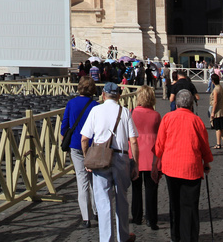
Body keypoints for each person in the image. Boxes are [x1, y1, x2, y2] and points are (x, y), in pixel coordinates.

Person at [80, 82, 139, 242]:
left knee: (103, 202)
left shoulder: (95, 110)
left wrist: (87, 160)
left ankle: (106, 239)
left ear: (103, 95)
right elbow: (133, 141)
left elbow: (84, 139)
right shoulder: (125, 111)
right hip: (122, 157)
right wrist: (136, 164)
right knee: (122, 199)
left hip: (101, 159)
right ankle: (124, 236)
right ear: (119, 96)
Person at [155, 89, 213, 242]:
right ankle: (189, 237)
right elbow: (204, 144)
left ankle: (176, 236)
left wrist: (157, 161)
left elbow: (160, 143)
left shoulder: (167, 118)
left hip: (171, 167)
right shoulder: (196, 120)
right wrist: (206, 162)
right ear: (191, 104)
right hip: (191, 168)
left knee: (175, 203)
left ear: (177, 103)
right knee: (190, 206)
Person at [61, 77, 99, 229]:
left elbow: (65, 125)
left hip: (76, 146)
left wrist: (63, 141)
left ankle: (86, 217)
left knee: (81, 180)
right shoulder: (96, 106)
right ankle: (96, 211)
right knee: (94, 180)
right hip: (92, 146)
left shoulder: (71, 103)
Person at [130, 85, 161, 230]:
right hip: (151, 154)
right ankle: (151, 218)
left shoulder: (133, 113)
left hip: (135, 154)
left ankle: (136, 216)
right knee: (151, 189)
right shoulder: (156, 115)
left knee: (136, 188)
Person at [209, 73, 223, 149]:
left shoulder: (216, 89)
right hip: (221, 110)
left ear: (213, 81)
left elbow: (215, 101)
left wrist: (212, 112)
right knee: (221, 128)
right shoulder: (220, 87)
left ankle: (218, 143)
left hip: (217, 111)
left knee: (217, 128)